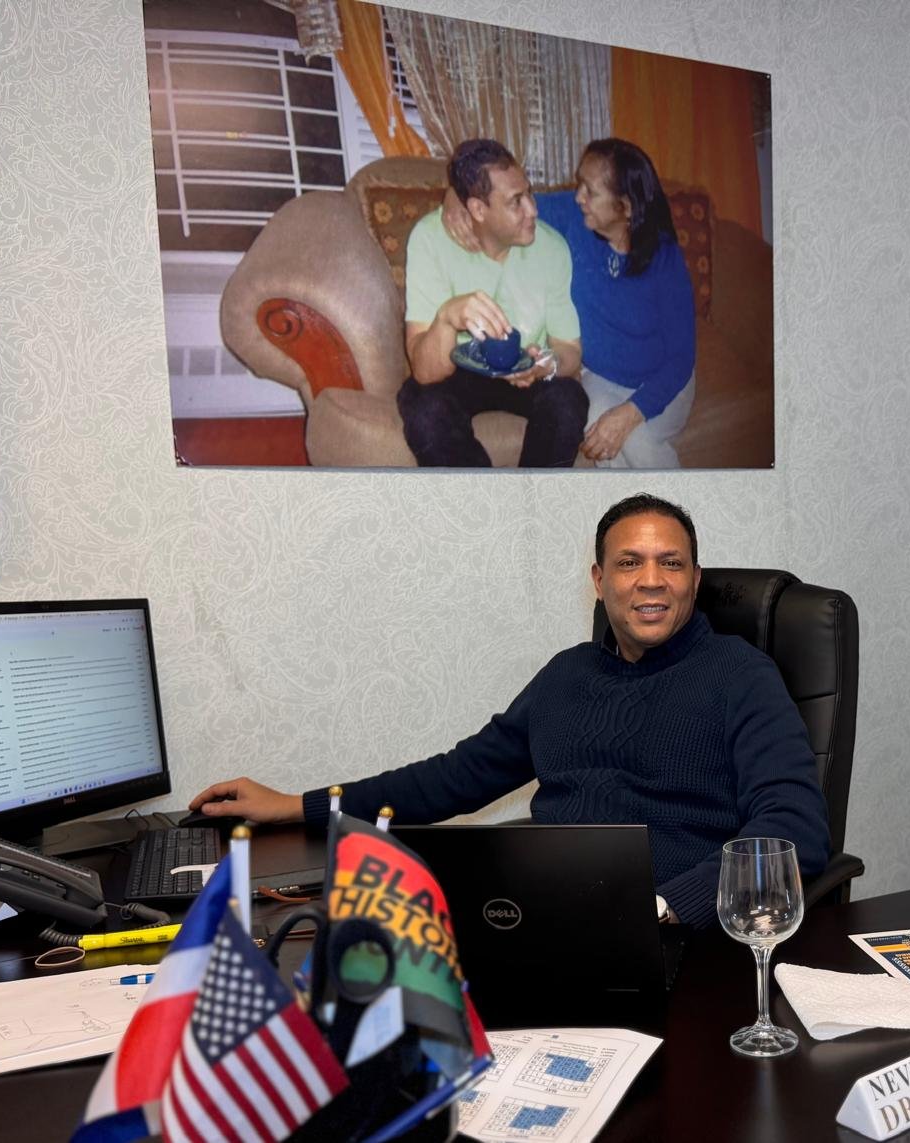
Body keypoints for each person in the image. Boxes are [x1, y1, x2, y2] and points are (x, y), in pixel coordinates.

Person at [187, 494, 831, 929]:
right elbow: (451, 779)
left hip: (674, 937)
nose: (651, 580)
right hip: (542, 922)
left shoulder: (742, 676)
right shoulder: (567, 677)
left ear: (695, 579)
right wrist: (296, 805)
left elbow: (793, 831)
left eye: (672, 563)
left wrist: (664, 908)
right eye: (629, 563)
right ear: (599, 581)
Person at [443, 139, 696, 469]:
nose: (579, 197)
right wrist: (454, 197)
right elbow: (497, 203)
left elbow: (681, 359)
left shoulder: (665, 258)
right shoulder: (572, 216)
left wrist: (632, 412)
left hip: (662, 384)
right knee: (601, 434)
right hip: (601, 379)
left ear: (625, 206)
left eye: (590, 191)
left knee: (632, 437)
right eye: (579, 184)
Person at [399, 138, 588, 467]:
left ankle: (533, 498)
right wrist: (447, 317)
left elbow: (570, 352)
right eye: (516, 201)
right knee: (422, 405)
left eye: (529, 193)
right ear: (477, 209)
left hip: (526, 369)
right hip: (458, 369)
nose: (533, 209)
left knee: (569, 399)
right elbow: (425, 372)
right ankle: (484, 497)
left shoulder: (552, 247)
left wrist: (547, 363)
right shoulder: (429, 239)